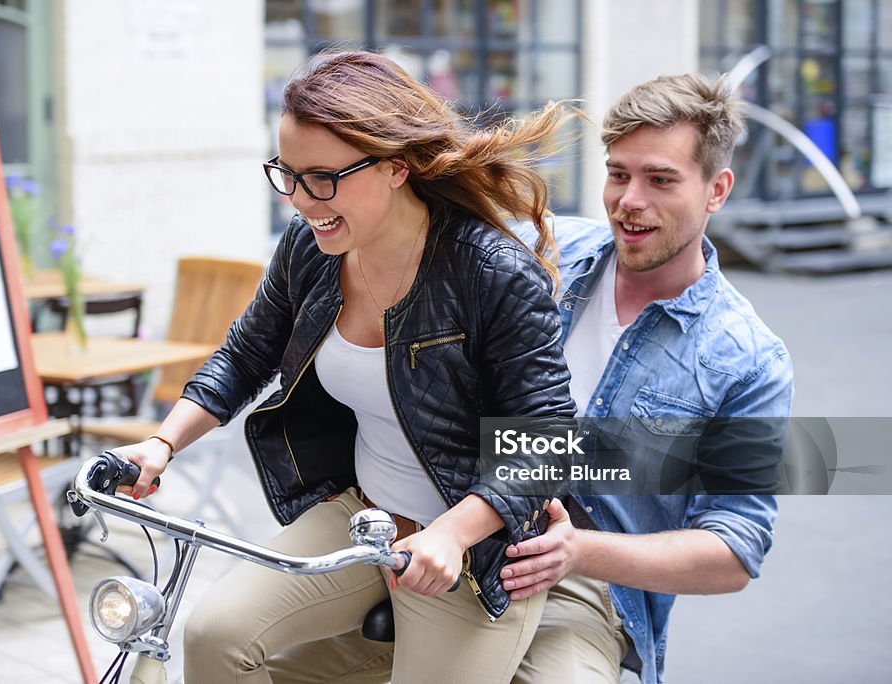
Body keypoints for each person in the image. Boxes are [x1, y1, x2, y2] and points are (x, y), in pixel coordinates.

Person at [265, 73, 794, 684]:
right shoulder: (536, 247)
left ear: (717, 190)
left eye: (661, 179)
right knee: (252, 659)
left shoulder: (749, 358)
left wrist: (576, 552)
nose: (630, 200)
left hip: (585, 585)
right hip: (441, 528)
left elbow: (734, 550)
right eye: (619, 173)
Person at [116, 50, 579, 683]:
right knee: (214, 635)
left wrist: (450, 534)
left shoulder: (491, 272)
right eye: (288, 174)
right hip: (365, 517)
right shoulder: (311, 248)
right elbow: (246, 354)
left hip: (474, 552)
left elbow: (549, 439)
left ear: (395, 166)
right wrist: (162, 444)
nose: (301, 201)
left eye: (323, 177)